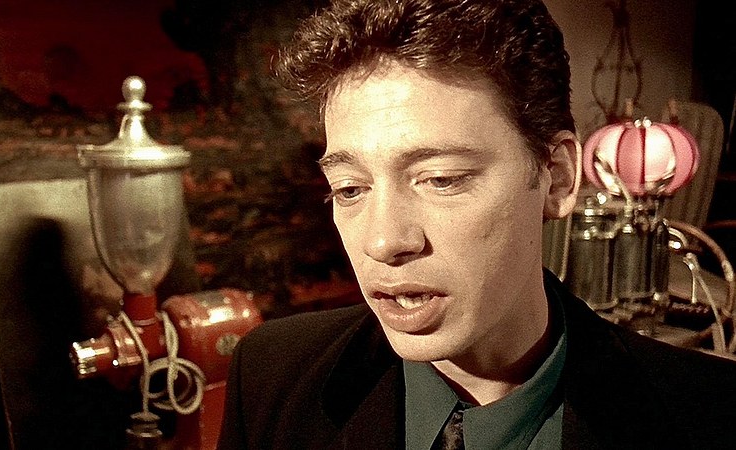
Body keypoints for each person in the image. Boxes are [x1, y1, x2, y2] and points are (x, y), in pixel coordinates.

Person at [217, 0, 736, 449]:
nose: (384, 241)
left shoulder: (712, 414)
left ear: (556, 177)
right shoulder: (271, 376)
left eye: (440, 179)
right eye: (349, 188)